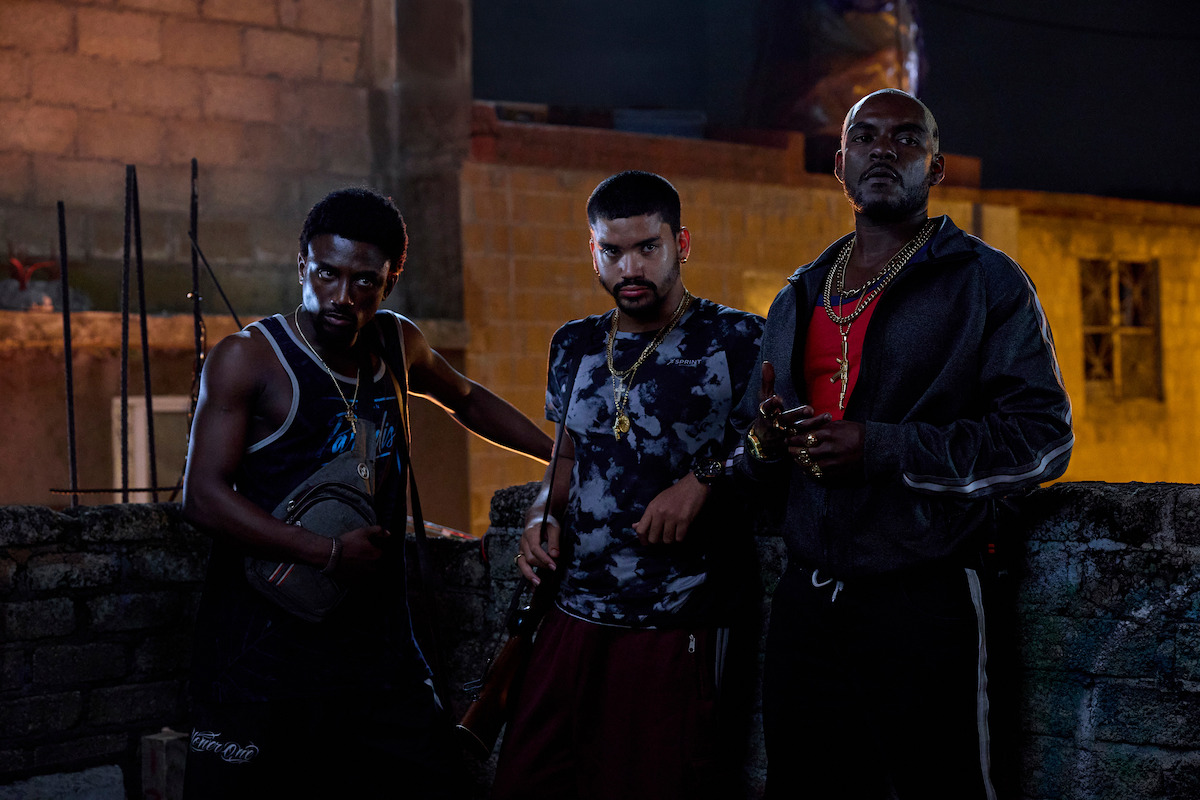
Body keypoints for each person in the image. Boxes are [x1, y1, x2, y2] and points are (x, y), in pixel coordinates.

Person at [737, 88, 1074, 799]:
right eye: (866, 137)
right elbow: (754, 448)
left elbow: (1043, 441)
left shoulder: (984, 281)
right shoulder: (797, 295)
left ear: (937, 166)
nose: (884, 150)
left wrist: (880, 448)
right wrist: (767, 441)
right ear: (840, 164)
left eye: (906, 139)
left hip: (927, 595)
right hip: (808, 598)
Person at [181, 187, 552, 798]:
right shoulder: (250, 359)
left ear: (390, 281)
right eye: (327, 274)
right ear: (302, 265)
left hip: (375, 645)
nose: (341, 296)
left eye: (364, 282)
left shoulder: (394, 344)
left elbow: (465, 398)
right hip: (262, 647)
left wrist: (560, 454)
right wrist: (324, 554)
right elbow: (202, 497)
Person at [490, 171, 764, 800]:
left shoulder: (738, 339)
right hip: (573, 610)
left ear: (681, 243)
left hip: (683, 614)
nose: (629, 267)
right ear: (593, 250)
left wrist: (701, 480)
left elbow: (773, 450)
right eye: (612, 251)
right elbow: (563, 463)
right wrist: (539, 517)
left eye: (648, 247)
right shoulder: (575, 344)